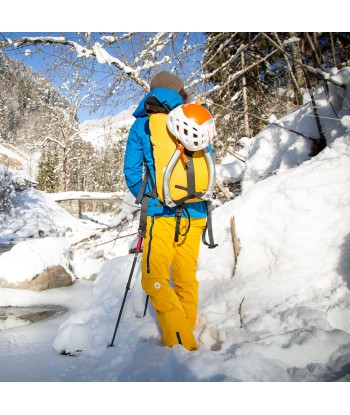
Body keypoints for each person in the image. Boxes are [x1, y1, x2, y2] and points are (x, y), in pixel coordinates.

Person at [123, 71, 214, 351]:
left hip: (162, 215)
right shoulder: (195, 117)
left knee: (154, 279)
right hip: (196, 213)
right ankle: (187, 334)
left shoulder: (144, 125)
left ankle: (179, 343)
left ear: (152, 93)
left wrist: (150, 197)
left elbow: (131, 171)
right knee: (186, 278)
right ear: (180, 92)